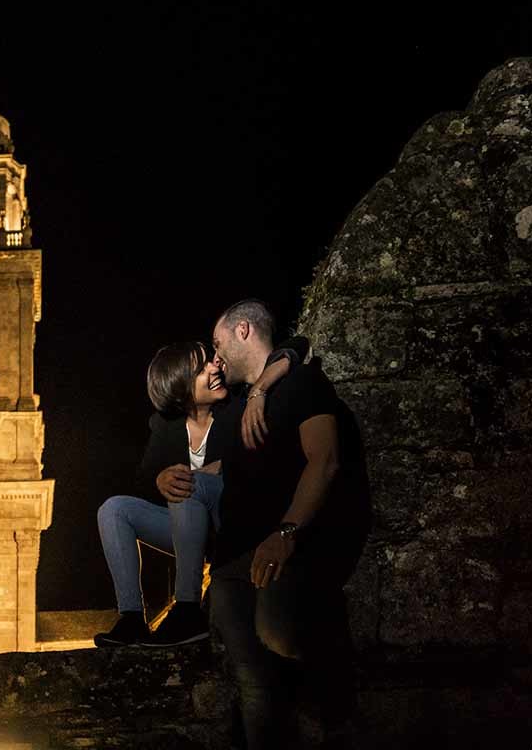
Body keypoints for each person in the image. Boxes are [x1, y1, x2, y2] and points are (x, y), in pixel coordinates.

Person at [207, 299, 368, 750]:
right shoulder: (242, 401)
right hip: (232, 564)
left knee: (280, 639)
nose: (215, 357)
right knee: (252, 685)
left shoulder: (302, 383)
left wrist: (287, 532)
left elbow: (325, 459)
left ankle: (337, 713)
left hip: (278, 551)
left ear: (243, 331)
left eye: (218, 343)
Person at [95, 335, 308, 648]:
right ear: (180, 385)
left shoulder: (239, 404)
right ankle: (131, 618)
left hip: (233, 522)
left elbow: (298, 346)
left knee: (191, 485)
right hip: (192, 531)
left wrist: (259, 392)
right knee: (113, 509)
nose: (214, 367)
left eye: (211, 359)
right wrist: (160, 480)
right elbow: (144, 481)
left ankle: (187, 609)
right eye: (202, 367)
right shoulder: (165, 425)